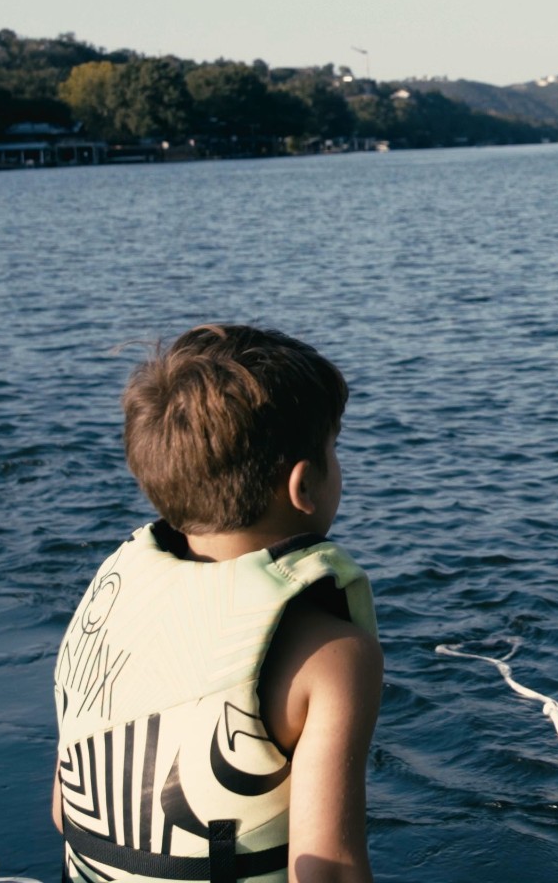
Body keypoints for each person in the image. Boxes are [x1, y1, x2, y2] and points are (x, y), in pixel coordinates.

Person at [51, 324, 382, 883]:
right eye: (334, 448)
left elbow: (64, 810)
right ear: (302, 486)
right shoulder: (332, 656)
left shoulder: (116, 596)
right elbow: (329, 872)